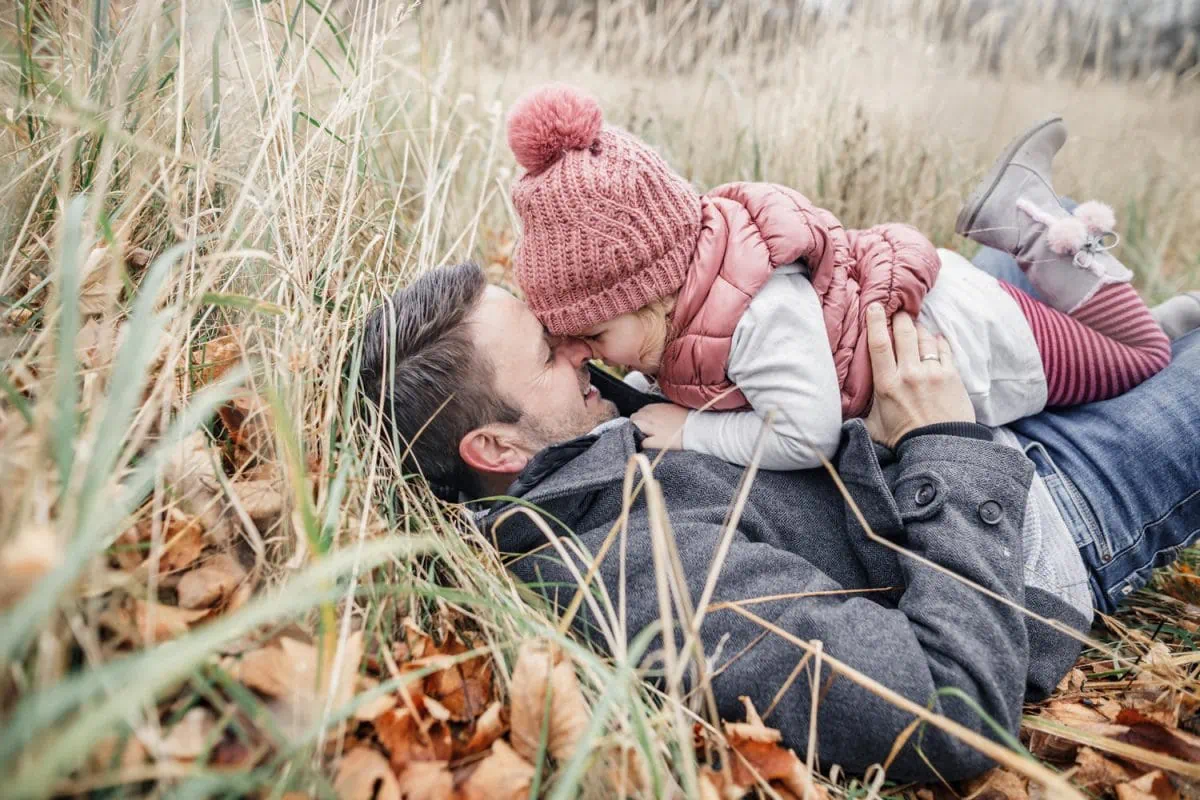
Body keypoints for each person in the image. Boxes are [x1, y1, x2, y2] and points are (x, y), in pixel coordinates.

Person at [357, 244, 1200, 780]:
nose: (578, 342)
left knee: (1026, 254)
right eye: (548, 352)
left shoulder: (585, 421)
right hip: (1033, 508)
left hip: (924, 408)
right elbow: (946, 713)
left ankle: (1138, 338)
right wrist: (945, 439)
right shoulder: (637, 572)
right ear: (496, 452)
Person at [503, 85, 1175, 470]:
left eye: (593, 331)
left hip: (981, 343)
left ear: (653, 292)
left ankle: (1033, 228)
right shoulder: (697, 293)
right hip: (951, 308)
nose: (585, 351)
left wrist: (693, 432)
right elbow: (698, 371)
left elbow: (807, 433)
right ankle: (1140, 310)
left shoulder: (761, 315)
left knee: (1139, 360)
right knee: (1117, 349)